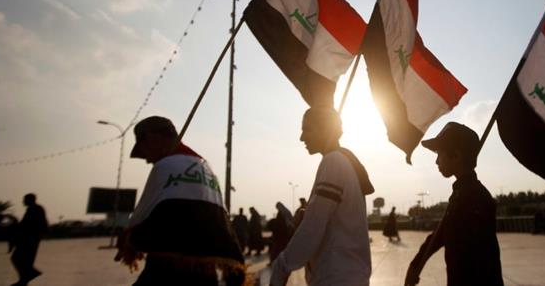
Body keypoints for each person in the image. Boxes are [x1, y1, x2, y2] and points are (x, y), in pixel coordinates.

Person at [114, 116, 245, 286]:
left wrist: (128, 239)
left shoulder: (164, 166)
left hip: (166, 271)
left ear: (153, 138)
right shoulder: (206, 167)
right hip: (206, 272)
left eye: (143, 149)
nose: (146, 159)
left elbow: (138, 219)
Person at [270, 107, 375, 286]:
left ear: (324, 129)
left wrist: (283, 265)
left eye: (307, 129)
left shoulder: (333, 161)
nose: (302, 137)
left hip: (336, 277)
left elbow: (313, 228)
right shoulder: (342, 162)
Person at [405, 122, 503, 286]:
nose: (437, 162)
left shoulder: (474, 198)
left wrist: (415, 266)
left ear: (456, 155)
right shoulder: (461, 194)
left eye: (439, 154)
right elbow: (440, 234)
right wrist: (416, 265)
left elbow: (478, 263)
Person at [9, 193, 48, 286]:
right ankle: (24, 279)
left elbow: (28, 224)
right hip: (30, 238)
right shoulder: (33, 209)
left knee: (18, 258)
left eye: (25, 200)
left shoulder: (35, 209)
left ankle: (28, 276)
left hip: (30, 239)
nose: (23, 202)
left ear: (30, 200)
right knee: (24, 260)